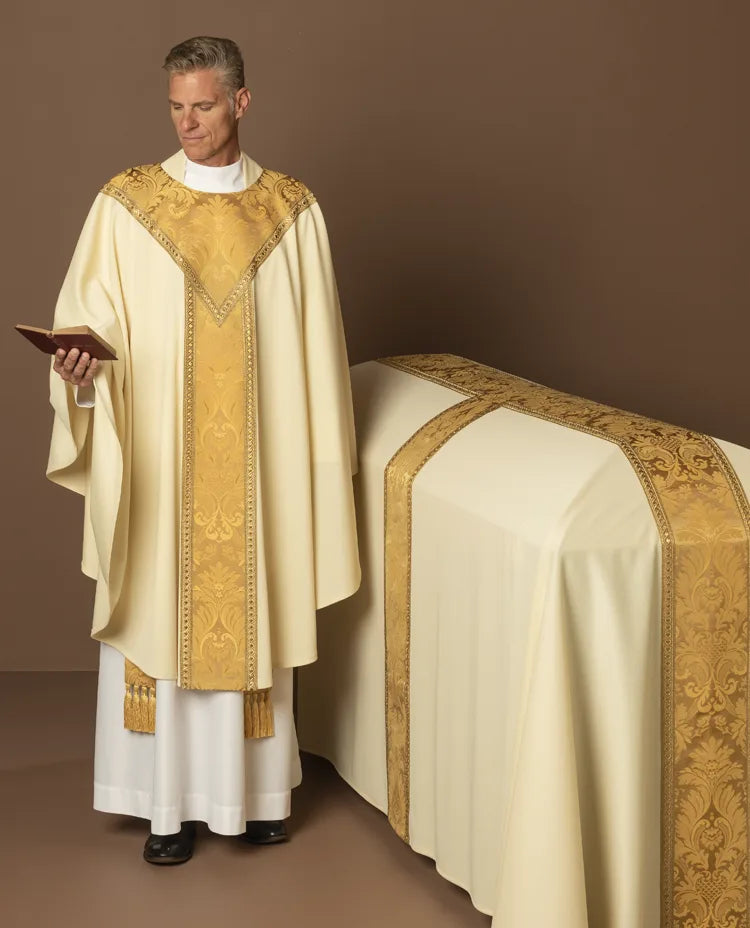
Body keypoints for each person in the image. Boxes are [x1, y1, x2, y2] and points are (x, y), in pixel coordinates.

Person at [45, 36, 361, 865]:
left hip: (258, 470)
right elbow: (89, 327)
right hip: (160, 464)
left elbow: (317, 353)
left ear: (242, 102)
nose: (187, 123)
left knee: (252, 607)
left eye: (204, 106)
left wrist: (314, 464)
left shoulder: (291, 212)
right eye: (176, 107)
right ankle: (167, 809)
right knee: (162, 610)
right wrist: (82, 377)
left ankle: (254, 799)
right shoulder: (127, 206)